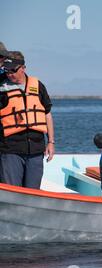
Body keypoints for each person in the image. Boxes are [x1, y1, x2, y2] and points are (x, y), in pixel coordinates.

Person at [0, 51, 55, 189]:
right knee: (12, 190)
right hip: (10, 150)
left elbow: (47, 114)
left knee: (33, 191)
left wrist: (51, 142)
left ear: (23, 68)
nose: (9, 74)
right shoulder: (2, 88)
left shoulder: (38, 86)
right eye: (6, 70)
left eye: (13, 70)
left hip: (36, 150)